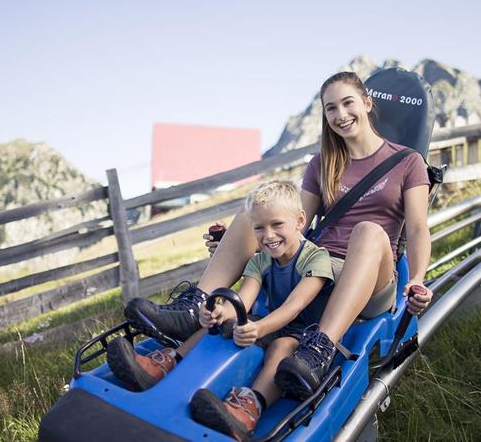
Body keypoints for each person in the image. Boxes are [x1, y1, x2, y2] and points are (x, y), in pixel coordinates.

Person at [124, 70, 433, 402]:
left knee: (368, 231)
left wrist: (416, 279)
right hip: (314, 269)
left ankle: (320, 349)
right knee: (252, 212)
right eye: (331, 109)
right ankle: (194, 307)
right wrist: (241, 241)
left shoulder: (407, 162)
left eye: (348, 104)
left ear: (367, 103)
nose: (340, 115)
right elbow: (291, 221)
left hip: (371, 276)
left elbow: (416, 228)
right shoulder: (324, 163)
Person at [107, 181, 334, 441]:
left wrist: (258, 328)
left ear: (299, 220)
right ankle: (165, 363)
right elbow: (244, 297)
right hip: (261, 321)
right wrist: (217, 313)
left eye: (277, 225)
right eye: (259, 228)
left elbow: (295, 306)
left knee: (281, 347)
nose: (268, 235)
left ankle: (248, 408)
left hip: (299, 333)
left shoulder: (317, 258)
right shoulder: (261, 260)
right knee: (215, 327)